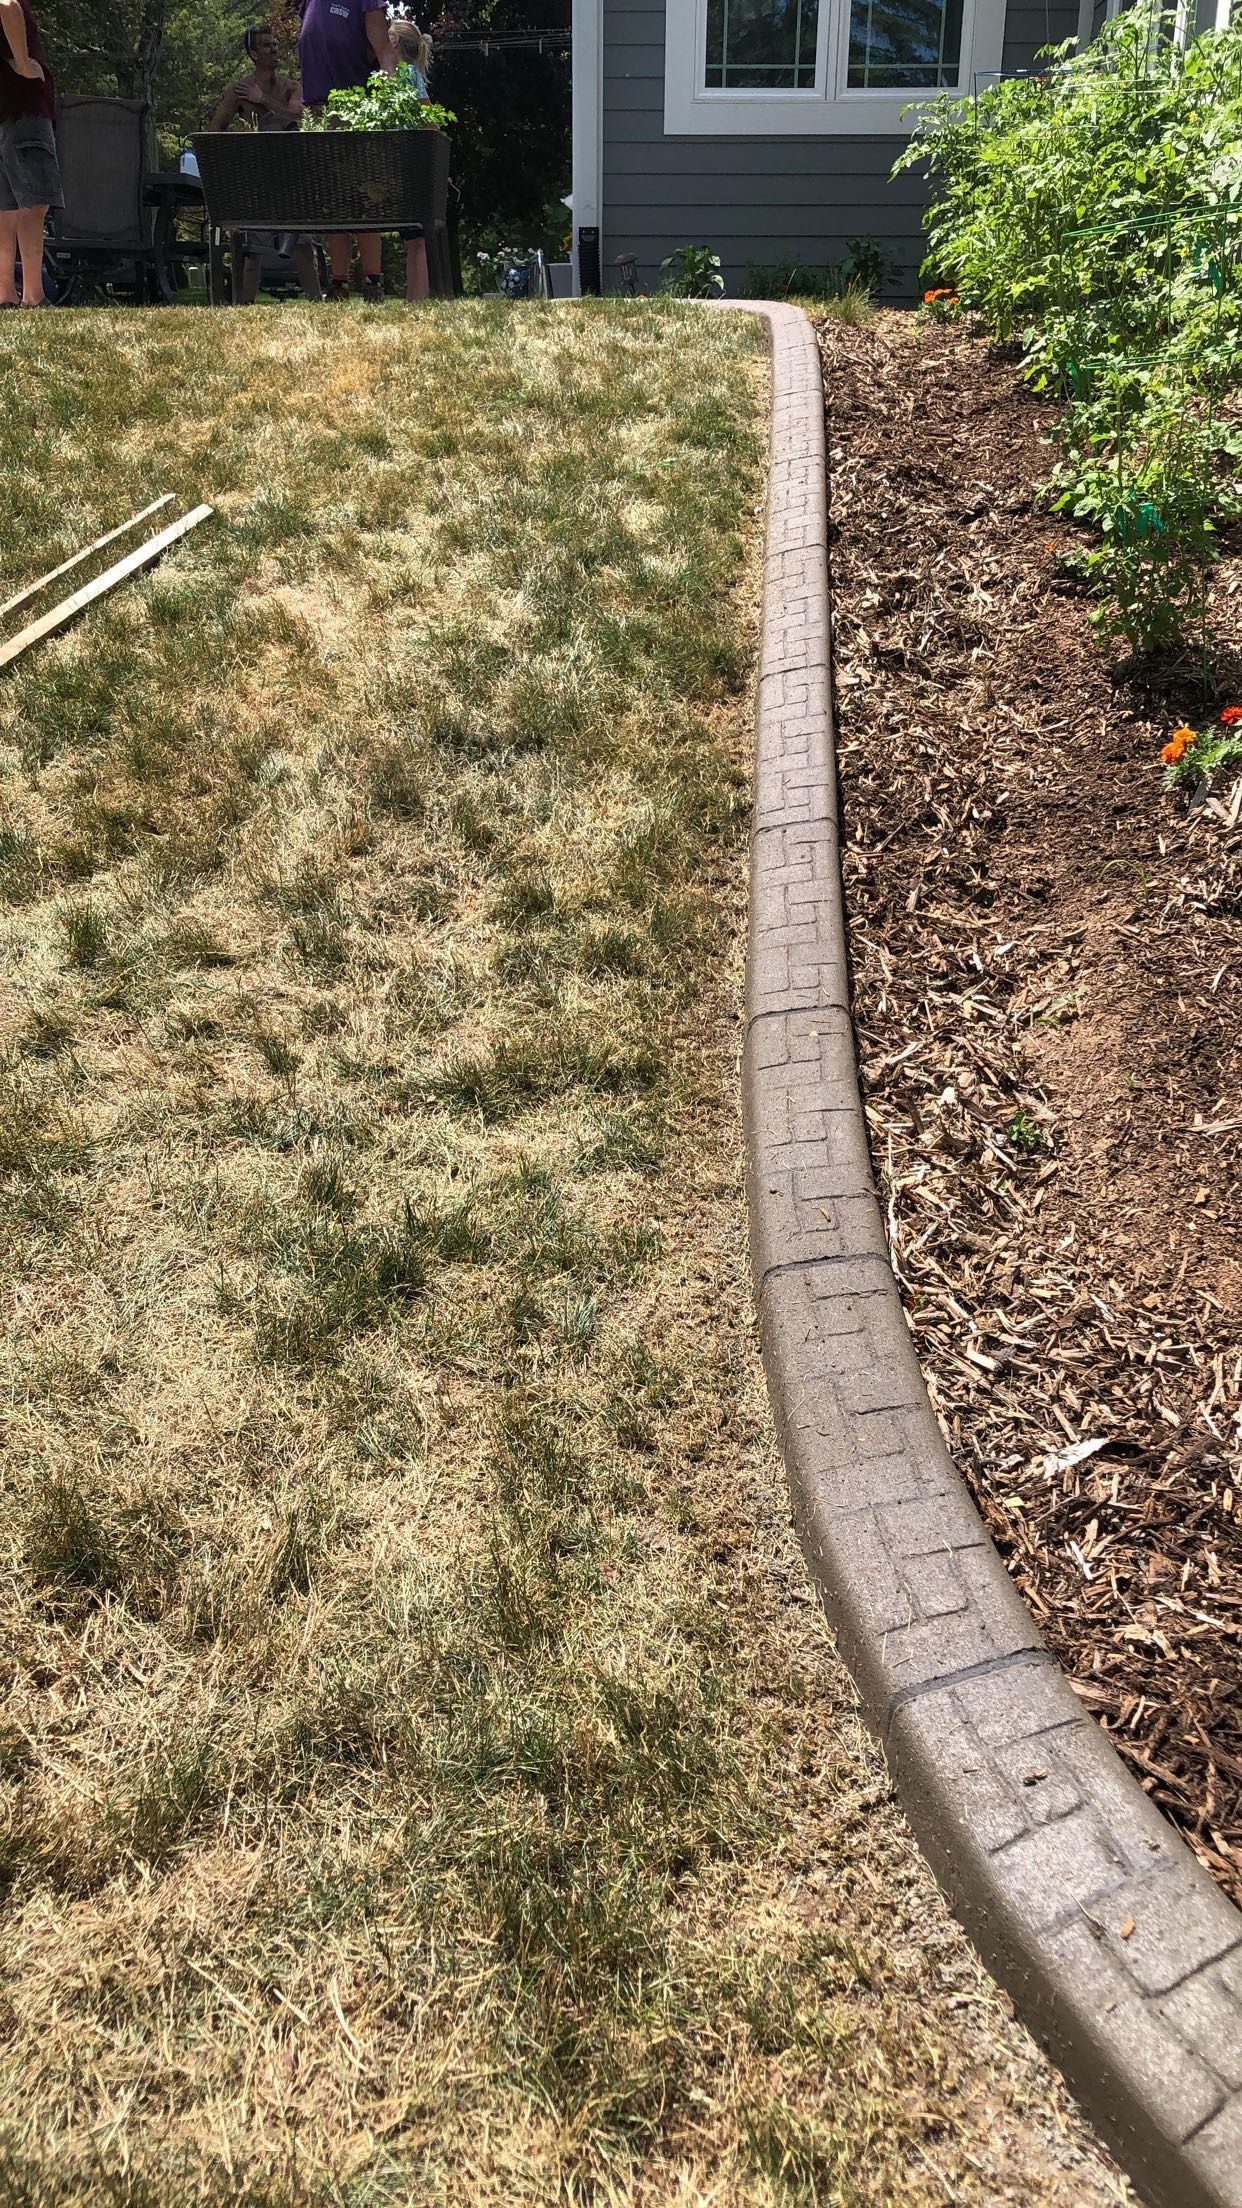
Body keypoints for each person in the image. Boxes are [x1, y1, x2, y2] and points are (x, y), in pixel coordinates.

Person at [209, 27, 321, 304]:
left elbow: (298, 116)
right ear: (253, 54)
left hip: (293, 176)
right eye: (267, 45)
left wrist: (263, 100)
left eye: (276, 44)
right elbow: (215, 129)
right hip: (258, 178)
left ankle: (317, 303)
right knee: (252, 251)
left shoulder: (292, 87)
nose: (274, 49)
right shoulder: (239, 91)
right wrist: (233, 157)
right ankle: (243, 306)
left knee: (303, 245)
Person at [298, 0, 397, 302]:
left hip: (356, 110)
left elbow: (383, 50)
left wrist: (391, 101)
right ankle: (337, 284)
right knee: (333, 201)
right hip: (317, 112)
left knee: (366, 199)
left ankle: (372, 283)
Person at [0, 0, 61, 308]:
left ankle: (6, 293)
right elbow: (7, 4)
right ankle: (34, 295)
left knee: (7, 209)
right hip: (26, 112)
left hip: (6, 115)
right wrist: (23, 63)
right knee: (34, 204)